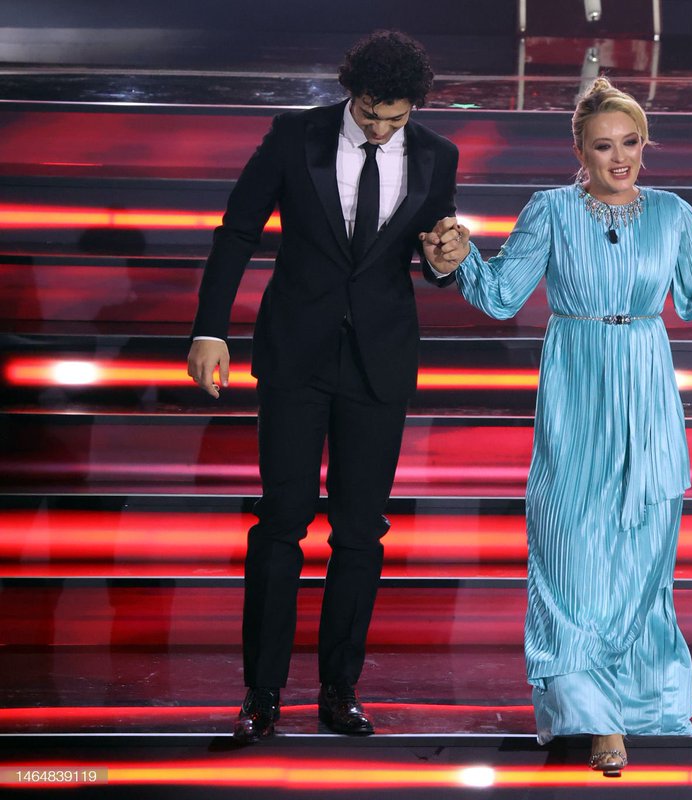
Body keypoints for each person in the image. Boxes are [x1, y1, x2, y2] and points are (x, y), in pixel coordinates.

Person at [423, 77, 692, 773]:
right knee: (571, 558)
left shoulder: (673, 211)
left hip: (648, 384)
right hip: (577, 384)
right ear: (579, 151)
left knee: (645, 562)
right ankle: (590, 718)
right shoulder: (550, 211)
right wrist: (460, 257)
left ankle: (645, 708)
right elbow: (500, 297)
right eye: (603, 147)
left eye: (631, 143)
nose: (621, 158)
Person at [185, 31, 460, 743]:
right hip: (295, 358)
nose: (381, 128)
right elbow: (237, 230)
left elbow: (434, 255)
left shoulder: (437, 155)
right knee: (281, 521)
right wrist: (209, 329)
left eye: (395, 118)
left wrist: (444, 260)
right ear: (351, 91)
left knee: (361, 532)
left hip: (380, 360)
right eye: (370, 112)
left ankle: (340, 689)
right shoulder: (294, 136)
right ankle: (263, 693)